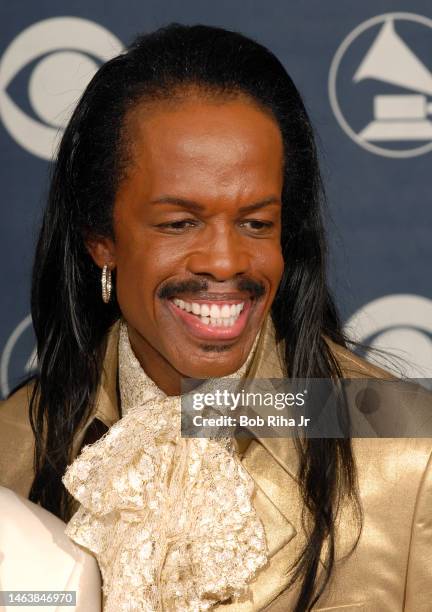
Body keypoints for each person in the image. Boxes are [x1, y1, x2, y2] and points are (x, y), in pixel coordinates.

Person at [0, 23, 431, 612]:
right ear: (101, 239)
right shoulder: (11, 447)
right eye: (179, 223)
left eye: (256, 223)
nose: (226, 261)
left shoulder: (412, 451)